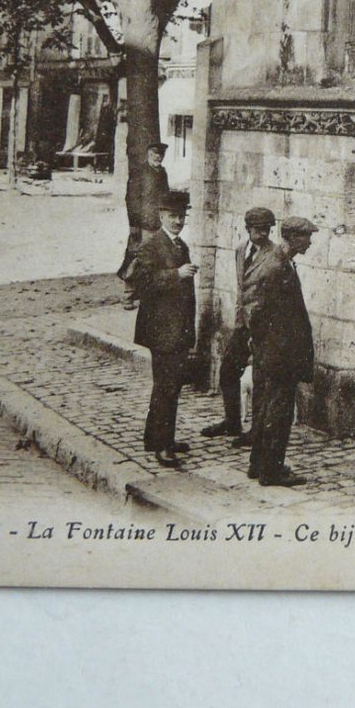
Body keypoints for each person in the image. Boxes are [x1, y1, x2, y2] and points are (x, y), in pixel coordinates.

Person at [244, 216, 318, 487]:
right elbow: (257, 308)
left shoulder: (273, 258)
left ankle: (258, 463)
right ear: (294, 238)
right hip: (279, 353)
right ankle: (271, 471)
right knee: (278, 410)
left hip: (270, 351)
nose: (310, 242)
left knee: (265, 407)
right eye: (307, 237)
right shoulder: (277, 265)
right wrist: (271, 345)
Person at [128, 189, 199, 468]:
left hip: (177, 330)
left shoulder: (181, 246)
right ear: (161, 216)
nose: (178, 221)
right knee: (166, 388)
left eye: (181, 216)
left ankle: (154, 437)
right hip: (161, 331)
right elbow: (142, 283)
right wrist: (175, 275)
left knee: (168, 386)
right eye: (172, 216)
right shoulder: (152, 246)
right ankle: (164, 446)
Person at [204, 206, 276, 443]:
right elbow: (241, 290)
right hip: (242, 325)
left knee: (259, 379)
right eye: (258, 230)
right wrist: (238, 324)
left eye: (266, 229)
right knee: (227, 372)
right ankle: (232, 422)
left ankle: (256, 432)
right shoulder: (240, 251)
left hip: (262, 327)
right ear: (248, 229)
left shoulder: (274, 256)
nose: (263, 234)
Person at [117, 142, 173, 309]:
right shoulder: (139, 172)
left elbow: (165, 195)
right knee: (136, 257)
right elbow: (131, 200)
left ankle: (149, 295)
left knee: (155, 258)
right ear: (149, 153)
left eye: (161, 154)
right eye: (155, 153)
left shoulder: (162, 173)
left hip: (158, 223)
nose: (158, 157)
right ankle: (128, 296)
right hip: (142, 224)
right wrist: (133, 225)